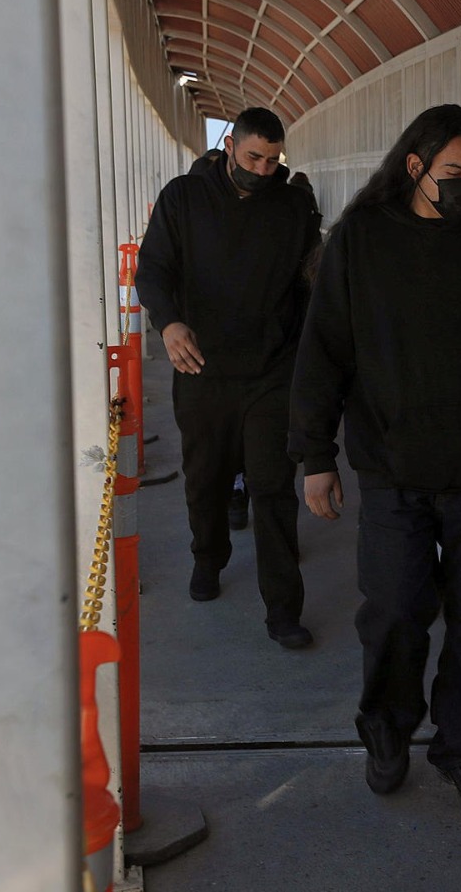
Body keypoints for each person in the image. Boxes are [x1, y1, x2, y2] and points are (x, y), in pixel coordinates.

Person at [289, 104, 461, 811]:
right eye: (455, 172)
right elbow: (324, 352)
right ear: (415, 166)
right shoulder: (361, 240)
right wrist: (316, 455)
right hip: (393, 469)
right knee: (392, 612)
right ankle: (387, 731)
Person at [136, 107, 320, 650]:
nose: (262, 170)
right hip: (202, 367)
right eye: (253, 157)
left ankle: (283, 609)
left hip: (271, 371)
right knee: (205, 478)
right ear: (229, 147)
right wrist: (169, 322)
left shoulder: (293, 207)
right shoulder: (184, 198)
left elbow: (310, 285)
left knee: (273, 488)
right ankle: (208, 558)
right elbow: (153, 268)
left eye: (272, 160)